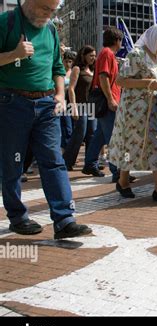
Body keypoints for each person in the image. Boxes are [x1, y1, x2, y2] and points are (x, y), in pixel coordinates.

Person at [0, 0, 91, 238]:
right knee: (12, 163)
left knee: (53, 160)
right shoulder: (6, 22)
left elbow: (57, 67)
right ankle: (17, 217)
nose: (49, 15)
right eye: (44, 9)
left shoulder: (50, 29)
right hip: (12, 103)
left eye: (53, 10)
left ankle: (64, 220)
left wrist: (60, 95)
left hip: (47, 104)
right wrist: (14, 55)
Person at [108, 24, 157, 202]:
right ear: (155, 38)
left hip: (154, 112)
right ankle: (123, 180)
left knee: (156, 147)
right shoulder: (136, 54)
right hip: (133, 113)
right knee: (130, 147)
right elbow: (120, 81)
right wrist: (147, 82)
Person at [82, 27, 123, 180]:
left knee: (99, 135)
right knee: (113, 137)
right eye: (121, 41)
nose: (121, 44)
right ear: (117, 40)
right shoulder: (107, 53)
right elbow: (103, 77)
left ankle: (90, 164)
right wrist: (111, 99)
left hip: (105, 101)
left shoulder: (107, 54)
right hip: (107, 102)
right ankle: (117, 171)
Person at [63, 45, 96, 170]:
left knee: (92, 133)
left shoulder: (93, 70)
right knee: (80, 133)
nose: (93, 58)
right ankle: (67, 161)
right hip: (79, 105)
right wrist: (74, 107)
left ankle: (90, 163)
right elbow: (71, 89)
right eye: (91, 55)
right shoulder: (77, 69)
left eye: (94, 55)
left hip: (91, 106)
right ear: (83, 56)